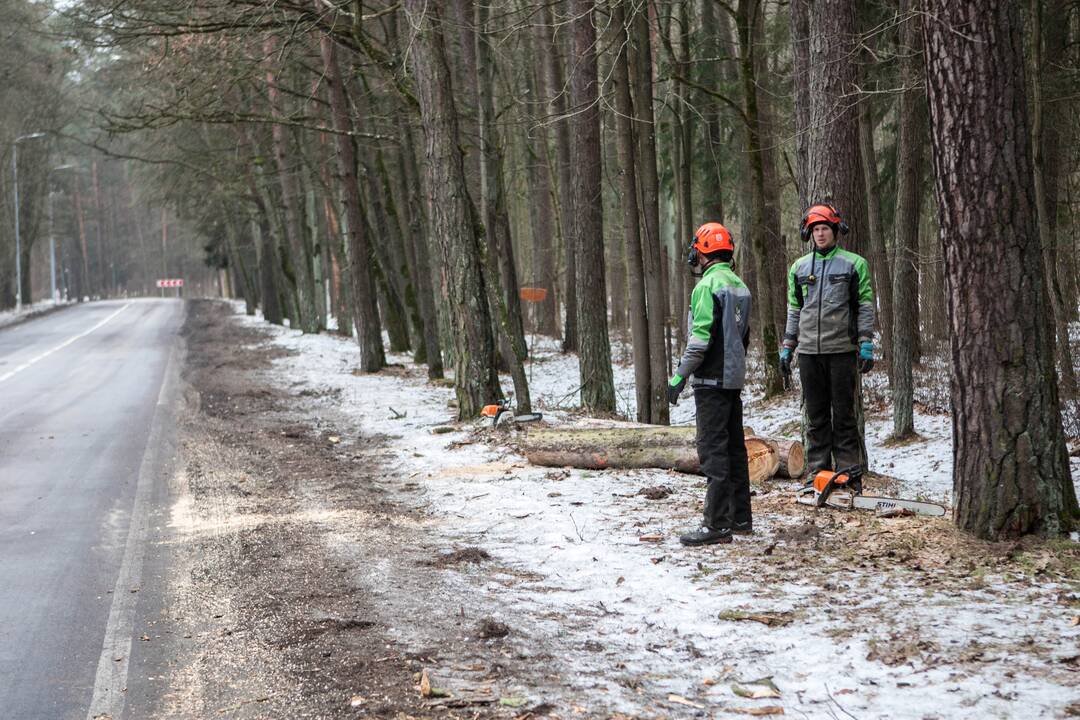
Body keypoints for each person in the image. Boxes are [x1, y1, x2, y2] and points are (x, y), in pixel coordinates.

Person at [668, 222, 752, 547]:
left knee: (712, 450)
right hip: (732, 379)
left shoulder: (706, 287)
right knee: (735, 448)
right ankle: (740, 517)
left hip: (710, 379)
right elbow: (743, 337)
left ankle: (716, 524)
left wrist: (679, 375)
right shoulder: (740, 285)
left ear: (702, 252)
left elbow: (699, 340)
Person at [779, 203, 875, 479]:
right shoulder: (798, 268)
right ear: (809, 234)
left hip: (842, 350)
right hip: (809, 351)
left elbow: (864, 305)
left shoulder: (854, 264)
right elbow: (794, 309)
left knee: (844, 415)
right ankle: (818, 471)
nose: (820, 234)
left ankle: (848, 469)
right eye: (815, 230)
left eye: (824, 229)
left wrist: (865, 342)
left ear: (835, 231)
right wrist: (788, 346)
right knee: (816, 415)